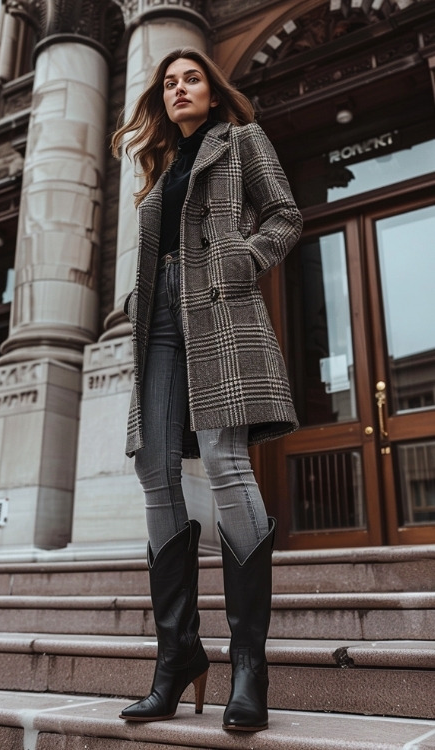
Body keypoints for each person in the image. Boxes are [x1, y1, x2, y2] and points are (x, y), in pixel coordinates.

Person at [112, 47, 302, 733]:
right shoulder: (159, 165)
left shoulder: (242, 139)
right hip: (159, 316)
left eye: (190, 78)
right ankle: (178, 657)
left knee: (224, 462)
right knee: (155, 470)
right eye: (168, 83)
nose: (178, 89)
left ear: (213, 92)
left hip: (219, 305)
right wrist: (137, 298)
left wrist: (245, 260)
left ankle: (248, 664)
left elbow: (283, 215)